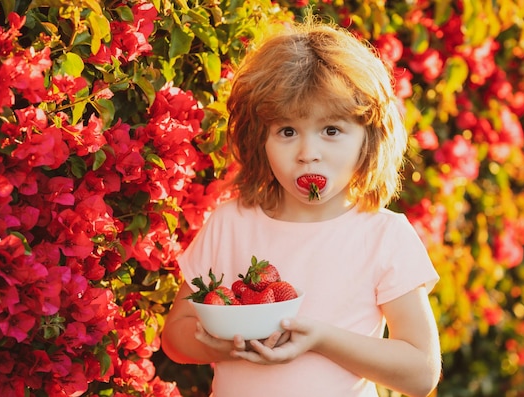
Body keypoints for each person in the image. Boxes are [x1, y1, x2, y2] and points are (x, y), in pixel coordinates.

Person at [161, 17, 441, 397]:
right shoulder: (230, 222)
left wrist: (321, 338)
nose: (308, 154)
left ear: (368, 139)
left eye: (331, 131)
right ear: (259, 139)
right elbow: (175, 336)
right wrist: (222, 345)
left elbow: (421, 373)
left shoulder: (382, 235)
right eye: (287, 131)